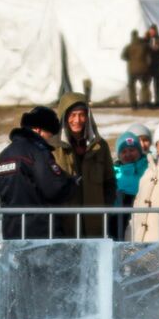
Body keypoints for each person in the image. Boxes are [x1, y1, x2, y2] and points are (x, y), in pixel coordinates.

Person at [0, 105, 75, 239]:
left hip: (12, 231)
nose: (50, 139)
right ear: (39, 130)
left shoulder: (4, 155)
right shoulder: (37, 152)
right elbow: (55, 189)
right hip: (40, 232)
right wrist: (71, 183)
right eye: (50, 134)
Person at [53, 92, 115, 239]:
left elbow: (109, 182)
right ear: (64, 116)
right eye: (72, 115)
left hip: (95, 223)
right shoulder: (54, 148)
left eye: (82, 115)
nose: (77, 120)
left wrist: (104, 207)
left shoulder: (100, 146)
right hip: (66, 224)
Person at [112, 131, 148, 240]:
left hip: (142, 214)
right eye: (124, 151)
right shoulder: (113, 171)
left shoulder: (148, 168)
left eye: (132, 150)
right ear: (119, 154)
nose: (128, 154)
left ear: (139, 151)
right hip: (118, 216)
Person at [122, 31, 151, 110]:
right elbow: (149, 54)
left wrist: (131, 59)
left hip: (132, 70)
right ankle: (145, 103)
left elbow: (123, 56)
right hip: (143, 69)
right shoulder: (144, 46)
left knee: (132, 87)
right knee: (145, 86)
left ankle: (134, 105)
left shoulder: (128, 46)